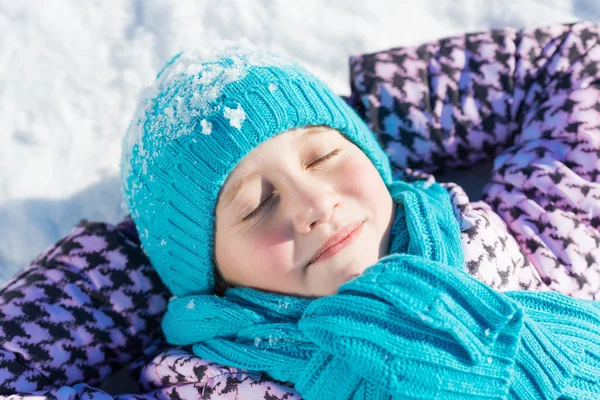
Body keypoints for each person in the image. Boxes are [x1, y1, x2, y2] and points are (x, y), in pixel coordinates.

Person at [2, 21, 600, 399]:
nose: (315, 204)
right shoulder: (213, 388)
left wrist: (373, 113)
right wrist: (128, 268)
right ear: (214, 276)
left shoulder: (531, 248)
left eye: (323, 156)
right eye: (257, 205)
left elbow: (578, 67)